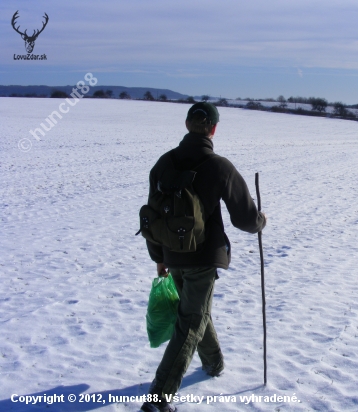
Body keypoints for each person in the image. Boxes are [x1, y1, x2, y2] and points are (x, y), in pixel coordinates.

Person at [140, 102, 267, 412]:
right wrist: (260, 221)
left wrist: (159, 256)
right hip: (204, 257)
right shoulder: (219, 166)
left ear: (187, 124)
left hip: (172, 253)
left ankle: (214, 363)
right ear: (213, 129)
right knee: (191, 322)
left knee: (195, 313)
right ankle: (159, 399)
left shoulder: (163, 164)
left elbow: (152, 218)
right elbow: (245, 219)